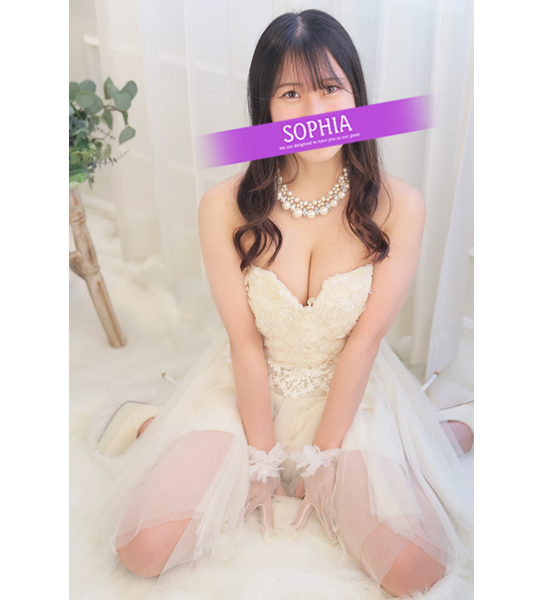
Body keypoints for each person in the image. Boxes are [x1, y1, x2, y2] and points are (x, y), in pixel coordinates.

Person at [97, 9, 474, 598]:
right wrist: (261, 459)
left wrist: (323, 458)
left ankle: (445, 431)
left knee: (415, 571)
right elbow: (245, 341)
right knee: (141, 549)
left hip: (350, 391)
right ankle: (152, 420)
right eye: (291, 93)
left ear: (357, 96)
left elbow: (365, 340)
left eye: (331, 88)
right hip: (250, 387)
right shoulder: (224, 206)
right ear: (265, 107)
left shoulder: (400, 205)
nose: (315, 113)